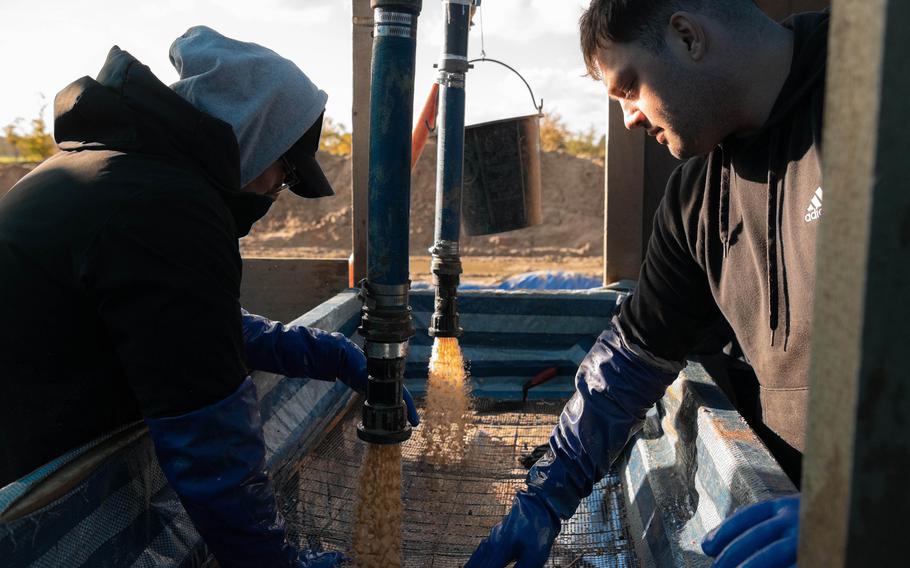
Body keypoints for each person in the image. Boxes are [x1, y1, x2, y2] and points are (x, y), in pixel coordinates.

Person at [0, 26, 418, 567]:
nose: (276, 189)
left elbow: (185, 330)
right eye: (285, 171)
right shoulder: (165, 206)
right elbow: (210, 442)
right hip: (36, 516)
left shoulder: (113, 169)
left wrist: (327, 353)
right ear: (253, 137)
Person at [467, 1, 828, 566]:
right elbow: (631, 359)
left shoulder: (879, 90)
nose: (630, 117)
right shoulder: (697, 200)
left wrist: (869, 508)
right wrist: (545, 499)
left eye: (629, 87)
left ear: (686, 36)